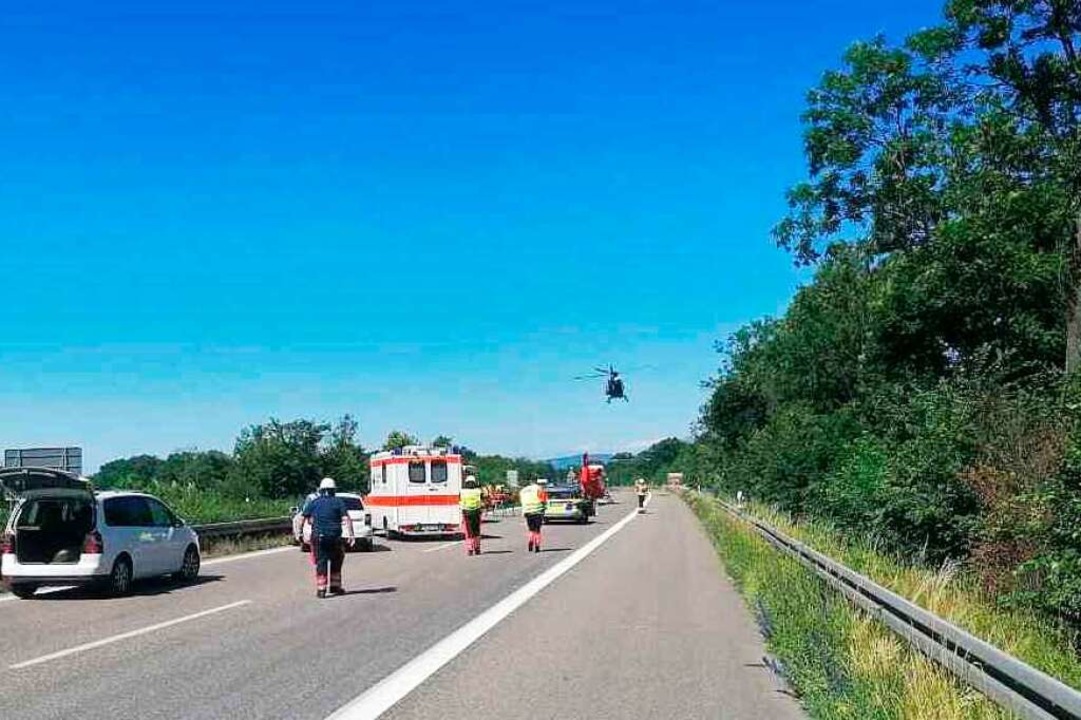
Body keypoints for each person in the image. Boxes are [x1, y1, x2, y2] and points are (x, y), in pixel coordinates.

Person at [302, 477, 355, 598]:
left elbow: (304, 518)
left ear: (321, 490)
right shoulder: (338, 502)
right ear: (333, 490)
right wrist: (351, 535)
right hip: (334, 537)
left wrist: (301, 534)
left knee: (321, 562)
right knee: (336, 560)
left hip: (318, 537)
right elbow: (346, 519)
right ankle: (335, 586)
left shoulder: (314, 502)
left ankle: (321, 589)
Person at [519, 478, 547, 553]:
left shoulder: (523, 490)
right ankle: (537, 546)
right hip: (537, 511)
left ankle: (531, 540)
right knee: (537, 530)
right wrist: (544, 508)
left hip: (528, 512)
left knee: (531, 529)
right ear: (537, 482)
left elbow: (522, 501)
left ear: (530, 482)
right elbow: (543, 500)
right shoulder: (539, 489)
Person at [460, 475, 485, 556]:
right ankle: (477, 548)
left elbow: (460, 500)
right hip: (476, 512)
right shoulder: (478, 491)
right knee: (476, 531)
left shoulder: (462, 491)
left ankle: (470, 549)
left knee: (468, 532)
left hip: (466, 512)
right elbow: (482, 499)